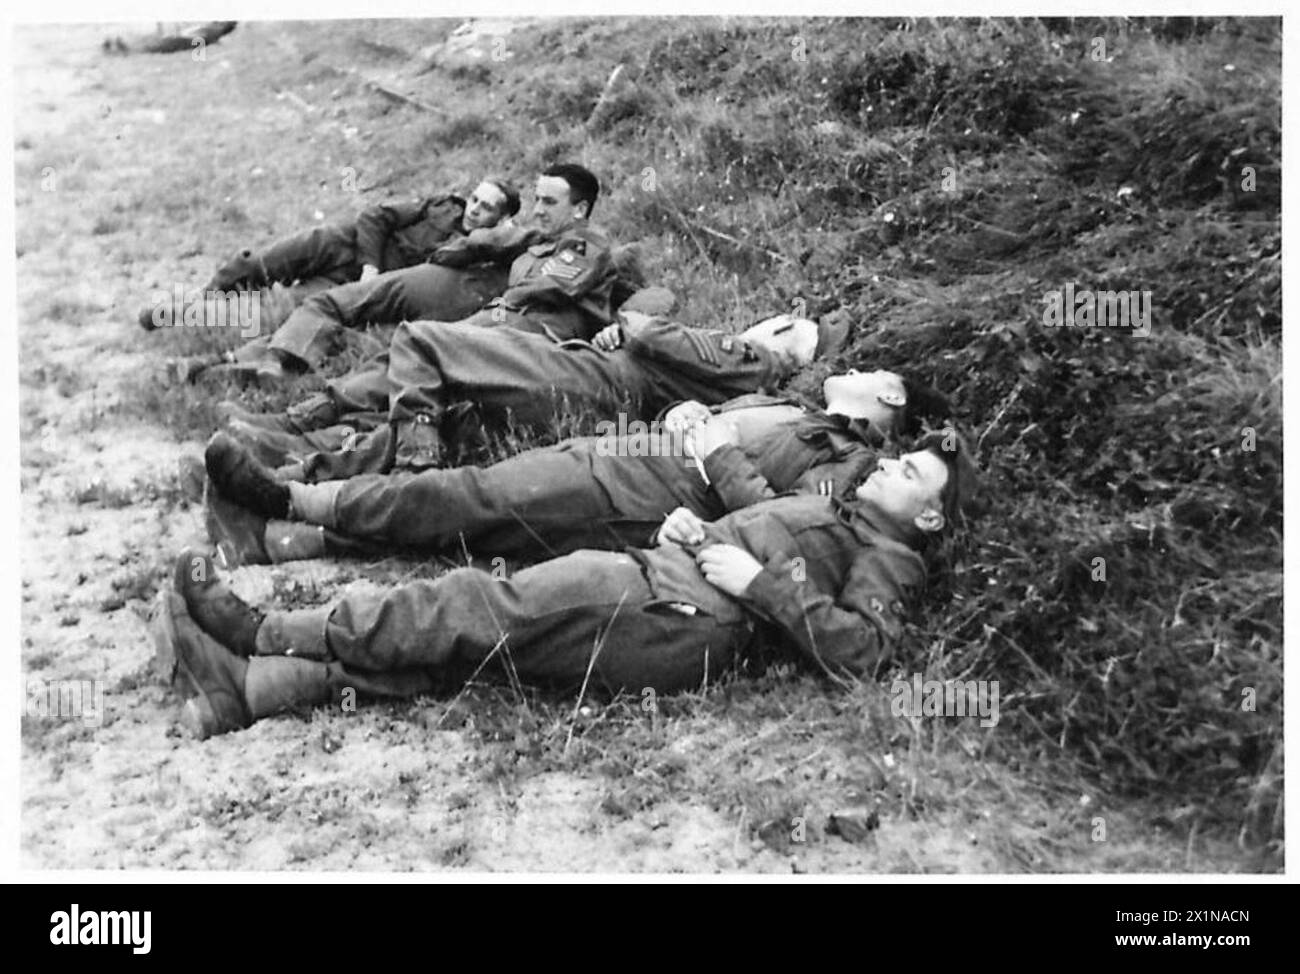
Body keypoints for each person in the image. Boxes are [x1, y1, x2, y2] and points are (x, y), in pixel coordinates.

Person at [154, 432, 978, 739]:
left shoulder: (891, 555)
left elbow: (865, 652)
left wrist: (759, 582)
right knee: (479, 649)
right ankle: (250, 690)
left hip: (674, 613)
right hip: (670, 593)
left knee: (473, 604)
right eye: (901, 459)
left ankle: (260, 632)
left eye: (911, 475)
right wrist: (700, 533)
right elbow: (767, 541)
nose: (891, 468)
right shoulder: (850, 517)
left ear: (931, 518)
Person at [203, 370, 951, 566]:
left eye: (869, 372)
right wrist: (687, 417)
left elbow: (772, 519)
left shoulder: (852, 464)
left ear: (889, 398)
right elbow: (697, 422)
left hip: (633, 495)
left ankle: (292, 499)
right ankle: (278, 542)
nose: (852, 369)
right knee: (479, 525)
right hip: (617, 459)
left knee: (469, 496)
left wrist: (713, 443)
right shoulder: (792, 406)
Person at [220, 309, 850, 484]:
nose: (764, 321)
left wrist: (628, 324)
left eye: (780, 322)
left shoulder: (750, 356)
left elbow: (655, 334)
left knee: (421, 341)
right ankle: (292, 472)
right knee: (456, 424)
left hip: (587, 382)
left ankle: (406, 457)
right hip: (585, 414)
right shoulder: (752, 384)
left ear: (784, 337)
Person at [201, 162, 628, 381]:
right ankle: (252, 357)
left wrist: (485, 282)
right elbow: (485, 242)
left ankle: (266, 364)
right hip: (425, 278)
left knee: (371, 332)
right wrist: (453, 252)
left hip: (484, 309)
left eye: (549, 203)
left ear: (580, 209)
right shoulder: (527, 233)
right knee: (327, 297)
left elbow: (550, 286)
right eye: (538, 200)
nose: (539, 211)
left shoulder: (585, 245)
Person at [139, 178, 520, 333]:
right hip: (344, 244)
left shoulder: (479, 254)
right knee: (257, 264)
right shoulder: (443, 205)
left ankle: (187, 316)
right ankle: (195, 301)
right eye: (474, 199)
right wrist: (370, 264)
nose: (473, 209)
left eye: (486, 207)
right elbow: (375, 216)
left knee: (282, 306)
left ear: (502, 219)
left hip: (353, 287)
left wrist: (369, 280)